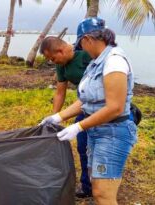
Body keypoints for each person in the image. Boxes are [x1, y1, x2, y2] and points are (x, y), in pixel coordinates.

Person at [40, 17, 137, 205]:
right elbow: (85, 101)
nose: (80, 49)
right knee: (97, 187)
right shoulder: (96, 63)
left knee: (103, 194)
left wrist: (78, 126)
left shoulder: (114, 61)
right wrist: (57, 116)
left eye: (81, 44)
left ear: (88, 39)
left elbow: (115, 107)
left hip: (113, 132)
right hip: (97, 130)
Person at [39, 36, 93, 198]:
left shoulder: (85, 55)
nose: (53, 62)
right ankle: (87, 186)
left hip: (100, 104)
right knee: (82, 146)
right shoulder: (61, 65)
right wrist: (55, 117)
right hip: (83, 105)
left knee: (96, 146)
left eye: (53, 58)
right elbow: (60, 92)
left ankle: (103, 183)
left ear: (61, 50)